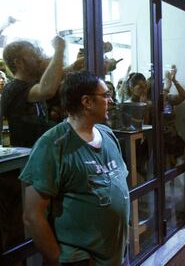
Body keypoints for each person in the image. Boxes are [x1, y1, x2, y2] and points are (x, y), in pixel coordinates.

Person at [20, 71, 130, 266]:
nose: (110, 100)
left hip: (115, 255)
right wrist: (58, 259)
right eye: (105, 95)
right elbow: (32, 216)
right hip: (79, 260)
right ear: (87, 102)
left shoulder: (107, 134)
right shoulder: (52, 145)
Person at [1, 36, 65, 147]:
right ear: (18, 63)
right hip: (26, 159)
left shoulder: (32, 85)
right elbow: (47, 90)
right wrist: (59, 50)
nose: (39, 59)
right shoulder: (13, 89)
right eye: (33, 55)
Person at [163, 65, 185, 168]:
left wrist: (174, 81)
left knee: (172, 164)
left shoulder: (168, 98)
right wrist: (167, 88)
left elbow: (183, 96)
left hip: (171, 136)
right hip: (158, 138)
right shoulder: (149, 101)